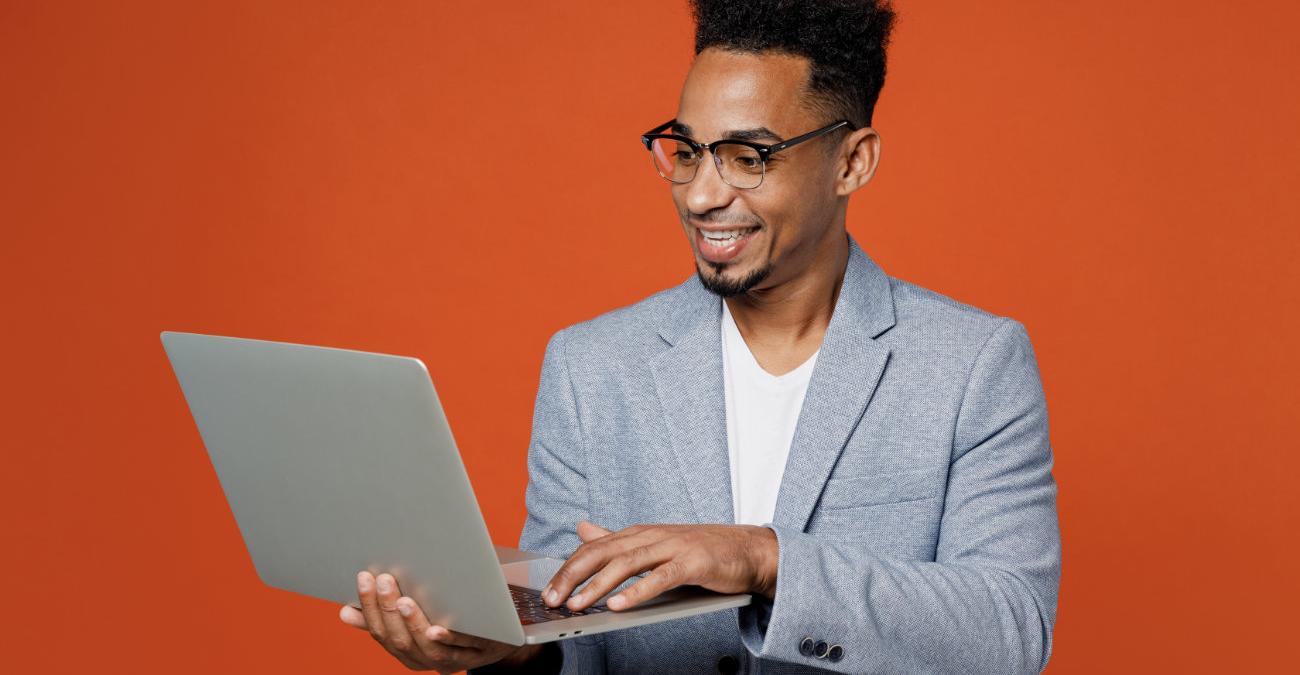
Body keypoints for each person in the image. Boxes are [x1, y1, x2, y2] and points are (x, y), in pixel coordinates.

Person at [338, 0, 1061, 672]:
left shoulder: (972, 363)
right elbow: (567, 626)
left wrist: (762, 557)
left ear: (852, 162)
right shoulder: (591, 367)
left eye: (748, 157)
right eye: (686, 150)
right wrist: (506, 651)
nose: (701, 194)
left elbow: (1010, 627)